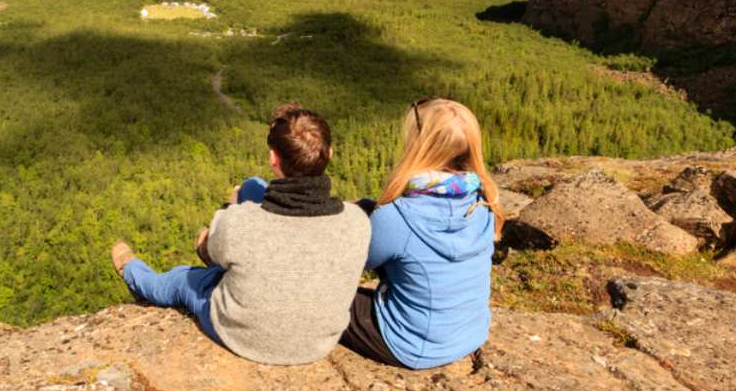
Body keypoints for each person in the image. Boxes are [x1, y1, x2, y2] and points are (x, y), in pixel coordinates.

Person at [111, 104, 371, 365]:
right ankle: (232, 245)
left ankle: (134, 274)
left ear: (274, 159)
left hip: (244, 336)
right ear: (330, 153)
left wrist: (220, 223)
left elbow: (218, 246)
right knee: (251, 187)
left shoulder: (242, 223)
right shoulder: (357, 221)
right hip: (318, 343)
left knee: (184, 279)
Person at [340, 97, 504, 369]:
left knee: (323, 296)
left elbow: (361, 260)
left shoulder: (398, 216)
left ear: (419, 144)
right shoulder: (484, 201)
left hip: (411, 344)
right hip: (470, 333)